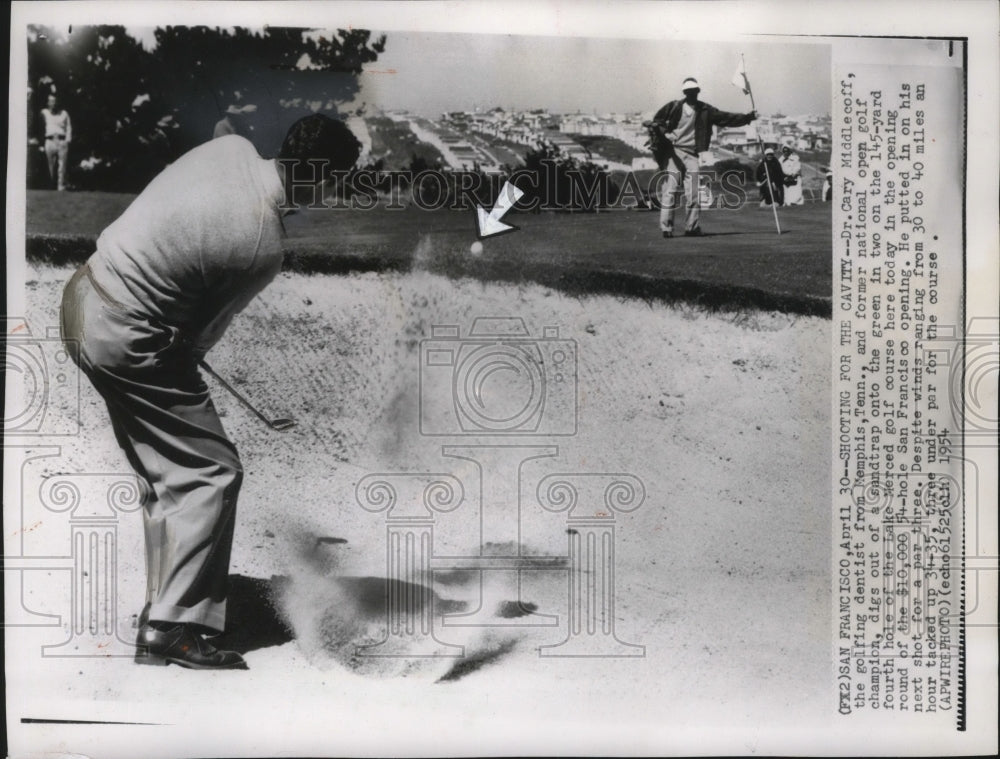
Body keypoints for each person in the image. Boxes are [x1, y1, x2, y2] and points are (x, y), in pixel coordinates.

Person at [60, 115, 361, 670]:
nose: (335, 195)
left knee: (169, 469)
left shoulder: (234, 147)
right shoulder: (260, 245)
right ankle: (174, 631)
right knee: (213, 470)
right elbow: (191, 347)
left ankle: (165, 608)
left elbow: (222, 130)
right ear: (319, 179)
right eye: (337, 182)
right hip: (122, 334)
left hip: (81, 297)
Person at [646, 77, 756, 237]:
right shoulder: (674, 106)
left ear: (697, 92)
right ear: (685, 92)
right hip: (673, 153)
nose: (692, 94)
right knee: (671, 190)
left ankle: (691, 227)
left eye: (694, 91)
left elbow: (725, 118)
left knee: (693, 193)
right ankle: (667, 228)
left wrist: (747, 118)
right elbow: (657, 120)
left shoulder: (705, 110)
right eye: (689, 92)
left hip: (692, 154)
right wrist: (665, 133)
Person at [41, 94, 72, 191]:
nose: (53, 104)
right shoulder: (44, 113)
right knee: (50, 165)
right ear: (48, 103)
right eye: (51, 101)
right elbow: (40, 127)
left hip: (61, 141)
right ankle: (51, 186)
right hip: (49, 141)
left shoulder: (64, 113)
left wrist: (67, 140)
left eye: (55, 101)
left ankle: (61, 186)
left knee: (62, 165)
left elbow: (69, 127)